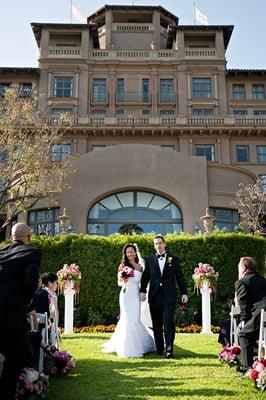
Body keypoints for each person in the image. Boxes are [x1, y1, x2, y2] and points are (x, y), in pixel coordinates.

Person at [0, 222, 41, 399]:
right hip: (11, 316)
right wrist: (24, 302)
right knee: (14, 357)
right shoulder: (31, 253)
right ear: (29, 238)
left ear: (11, 238)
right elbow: (31, 282)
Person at [102, 243, 155, 358]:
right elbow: (118, 283)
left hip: (135, 295)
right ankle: (126, 347)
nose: (129, 254)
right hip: (126, 294)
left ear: (135, 252)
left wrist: (143, 292)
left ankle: (140, 344)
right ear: (125, 254)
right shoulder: (122, 266)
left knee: (135, 318)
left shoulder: (140, 267)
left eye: (131, 251)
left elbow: (143, 282)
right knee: (127, 318)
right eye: (127, 252)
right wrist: (124, 280)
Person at [140, 234, 188, 358]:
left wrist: (184, 292)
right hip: (155, 295)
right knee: (156, 323)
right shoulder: (150, 259)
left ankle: (169, 349)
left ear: (164, 244)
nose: (158, 245)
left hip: (169, 296)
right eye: (156, 244)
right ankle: (160, 348)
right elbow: (145, 277)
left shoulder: (173, 258)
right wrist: (143, 290)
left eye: (160, 243)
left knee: (168, 322)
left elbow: (180, 277)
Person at [235, 256, 266, 371]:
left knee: (244, 335)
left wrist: (245, 321)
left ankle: (247, 369)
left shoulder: (242, 282)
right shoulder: (263, 280)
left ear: (244, 268)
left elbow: (243, 305)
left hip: (259, 315)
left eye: (238, 267)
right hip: (262, 318)